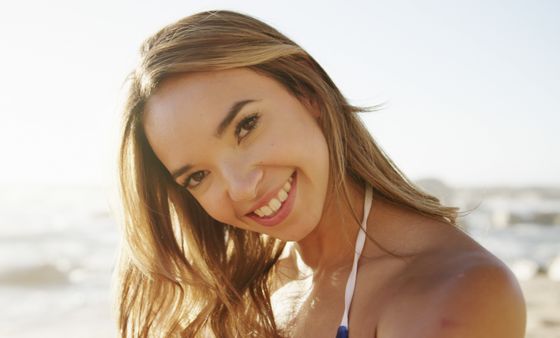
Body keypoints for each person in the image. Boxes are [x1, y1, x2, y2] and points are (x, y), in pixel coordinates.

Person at [115, 10, 526, 338]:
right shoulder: (262, 292)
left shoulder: (456, 292)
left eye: (246, 126)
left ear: (306, 90)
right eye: (197, 176)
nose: (240, 189)